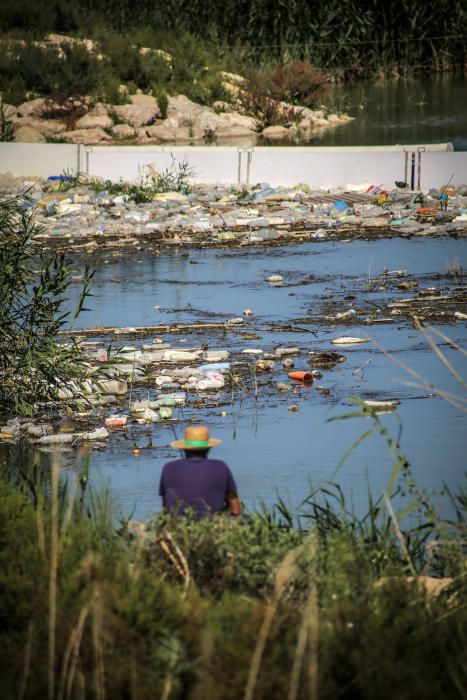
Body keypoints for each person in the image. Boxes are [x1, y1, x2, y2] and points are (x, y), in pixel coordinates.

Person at [159, 425, 241, 518]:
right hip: (213, 525)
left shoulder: (169, 468)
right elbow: (235, 509)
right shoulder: (221, 467)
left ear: (184, 448)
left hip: (177, 524)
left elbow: (165, 507)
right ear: (209, 447)